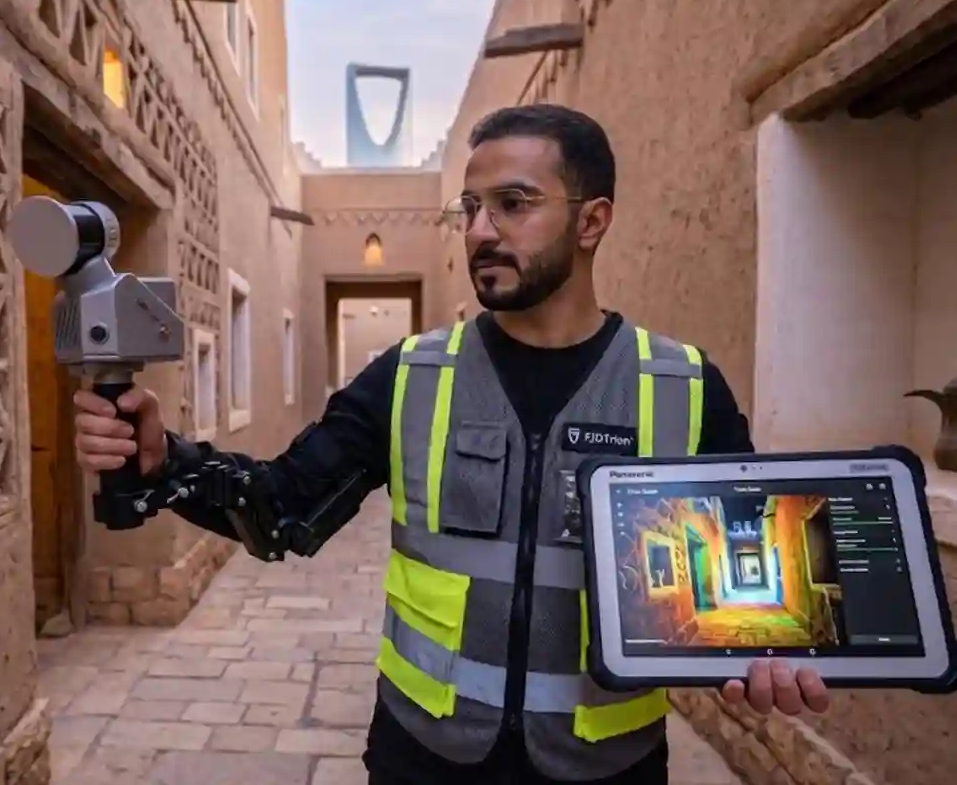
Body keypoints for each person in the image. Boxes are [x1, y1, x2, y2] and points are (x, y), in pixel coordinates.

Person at [72, 104, 830, 784]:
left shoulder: (683, 388)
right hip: (424, 760)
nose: (480, 231)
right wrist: (164, 461)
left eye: (513, 204)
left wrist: (764, 654)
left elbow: (752, 583)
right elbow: (280, 510)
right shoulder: (410, 376)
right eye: (470, 207)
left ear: (592, 222)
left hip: (609, 768)